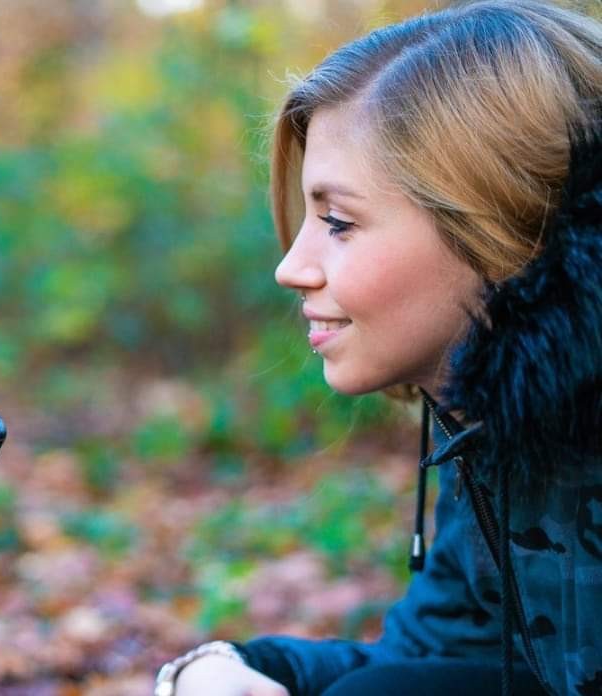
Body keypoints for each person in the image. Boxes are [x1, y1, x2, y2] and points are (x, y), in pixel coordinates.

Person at [153, 1, 602, 695]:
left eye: (338, 221)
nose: (290, 267)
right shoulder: (495, 422)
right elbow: (445, 659)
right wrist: (248, 670)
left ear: (499, 221)